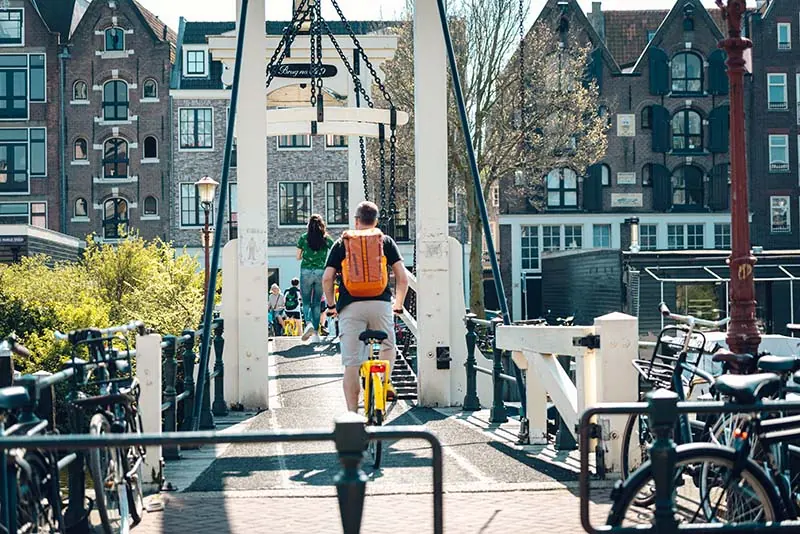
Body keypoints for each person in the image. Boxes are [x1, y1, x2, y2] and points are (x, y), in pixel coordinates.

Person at [323, 201, 408, 413]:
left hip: (350, 307)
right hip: (380, 304)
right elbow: (403, 278)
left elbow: (327, 279)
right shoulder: (385, 241)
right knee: (388, 345)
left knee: (351, 364)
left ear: (356, 221)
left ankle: (352, 415)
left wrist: (332, 306)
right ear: (376, 221)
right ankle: (383, 381)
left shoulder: (343, 242)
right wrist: (397, 305)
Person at [297, 214, 334, 343]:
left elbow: (298, 256)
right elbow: (334, 249)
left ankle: (309, 324)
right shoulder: (326, 239)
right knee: (317, 303)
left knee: (306, 302)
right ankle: (316, 334)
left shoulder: (303, 238)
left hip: (306, 270)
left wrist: (307, 256)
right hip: (320, 272)